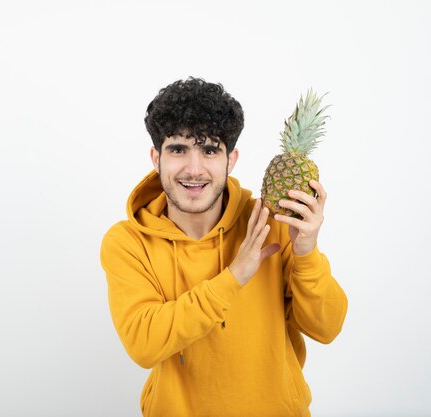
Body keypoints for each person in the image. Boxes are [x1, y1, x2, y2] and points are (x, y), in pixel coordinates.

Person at [100, 77, 348, 417]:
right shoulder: (128, 242)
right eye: (178, 149)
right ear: (156, 156)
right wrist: (234, 277)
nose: (194, 168)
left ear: (231, 159)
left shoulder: (272, 222)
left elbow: (327, 328)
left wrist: (306, 254)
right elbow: (144, 344)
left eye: (209, 150)